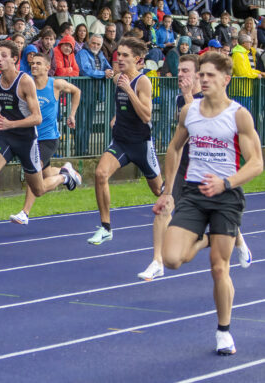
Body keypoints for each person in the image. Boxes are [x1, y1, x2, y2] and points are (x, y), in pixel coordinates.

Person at [153, 52, 263, 355]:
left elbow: (256, 164)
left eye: (210, 75)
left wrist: (226, 182)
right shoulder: (189, 112)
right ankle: (205, 238)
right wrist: (167, 192)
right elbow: (174, 149)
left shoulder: (239, 115)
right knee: (171, 258)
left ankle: (224, 331)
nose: (203, 79)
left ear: (226, 79)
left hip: (226, 197)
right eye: (201, 74)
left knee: (219, 268)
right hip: (194, 193)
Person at [139, 53, 254, 280]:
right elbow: (180, 140)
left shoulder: (211, 97)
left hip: (211, 167)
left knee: (219, 210)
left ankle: (235, 238)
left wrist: (189, 96)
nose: (181, 75)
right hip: (186, 164)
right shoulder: (181, 100)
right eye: (179, 70)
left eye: (186, 71)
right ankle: (157, 261)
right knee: (164, 205)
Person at [0, 40, 82, 241]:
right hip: (6, 137)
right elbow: (5, 108)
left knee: (38, 188)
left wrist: (10, 125)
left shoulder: (25, 81)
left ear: (15, 59)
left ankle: (65, 177)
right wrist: (1, 128)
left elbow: (36, 118)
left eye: (4, 56)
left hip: (27, 139)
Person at [88, 37, 163, 245]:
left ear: (137, 59)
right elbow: (122, 107)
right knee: (100, 173)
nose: (119, 58)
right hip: (120, 141)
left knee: (159, 191)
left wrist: (130, 91)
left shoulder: (142, 82)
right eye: (118, 54)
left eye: (124, 55)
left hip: (140, 144)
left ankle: (187, 215)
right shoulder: (117, 78)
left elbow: (146, 116)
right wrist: (116, 117)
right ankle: (106, 228)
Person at [10, 52, 81, 225]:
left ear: (47, 67)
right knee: (47, 173)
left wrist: (72, 114)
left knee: (35, 172)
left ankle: (25, 213)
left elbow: (76, 91)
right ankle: (67, 174)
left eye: (39, 63)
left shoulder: (55, 84)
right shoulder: (28, 85)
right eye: (33, 63)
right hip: (31, 138)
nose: (34, 66)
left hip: (48, 138)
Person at [75, 34, 113, 156]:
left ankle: (85, 149)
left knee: (89, 124)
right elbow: (85, 70)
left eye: (98, 44)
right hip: (83, 93)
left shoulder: (100, 55)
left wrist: (110, 72)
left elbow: (108, 68)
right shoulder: (82, 54)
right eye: (94, 43)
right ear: (89, 43)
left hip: (94, 94)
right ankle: (79, 150)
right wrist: (103, 73)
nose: (95, 46)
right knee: (81, 123)